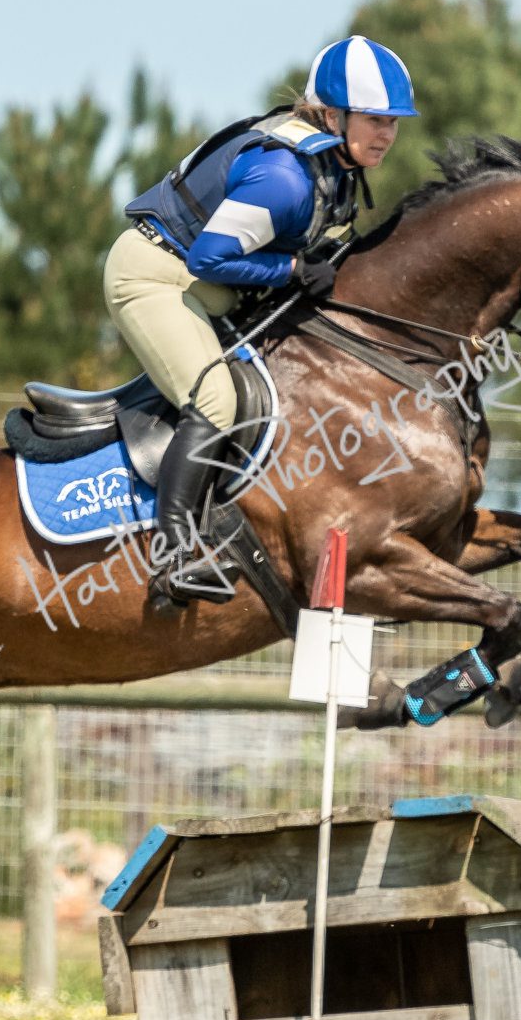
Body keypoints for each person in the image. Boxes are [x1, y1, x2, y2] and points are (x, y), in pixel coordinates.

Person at [112, 35, 418, 611]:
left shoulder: (335, 165)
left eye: (394, 122)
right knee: (218, 405)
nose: (387, 134)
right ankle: (174, 554)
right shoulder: (286, 176)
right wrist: (296, 268)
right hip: (154, 276)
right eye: (375, 119)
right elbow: (209, 257)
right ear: (333, 115)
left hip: (204, 280)